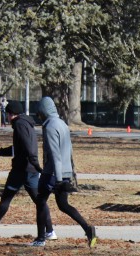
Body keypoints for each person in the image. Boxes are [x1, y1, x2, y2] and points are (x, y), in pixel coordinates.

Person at [0, 100, 52, 242]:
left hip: (21, 170)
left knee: (6, 199)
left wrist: (35, 162)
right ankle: (50, 231)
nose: (7, 118)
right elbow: (18, 148)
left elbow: (28, 147)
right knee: (39, 201)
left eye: (7, 114)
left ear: (10, 114)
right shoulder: (26, 123)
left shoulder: (19, 125)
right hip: (30, 169)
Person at [35, 96, 98, 248]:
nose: (39, 115)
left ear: (44, 111)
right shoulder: (62, 124)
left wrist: (57, 180)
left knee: (40, 202)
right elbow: (68, 150)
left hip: (52, 173)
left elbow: (55, 155)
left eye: (40, 112)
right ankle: (88, 228)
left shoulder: (50, 126)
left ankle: (41, 238)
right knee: (63, 205)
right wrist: (68, 173)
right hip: (65, 171)